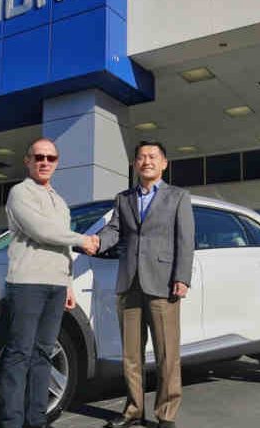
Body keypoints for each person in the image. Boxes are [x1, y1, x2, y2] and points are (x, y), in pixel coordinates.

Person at [0, 138, 99, 428]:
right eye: (39, 157)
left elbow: (61, 246)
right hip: (27, 284)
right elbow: (42, 231)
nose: (44, 162)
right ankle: (12, 422)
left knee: (43, 354)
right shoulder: (20, 193)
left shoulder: (60, 201)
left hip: (55, 288)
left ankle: (37, 420)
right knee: (19, 354)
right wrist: (83, 240)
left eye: (50, 158)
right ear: (27, 160)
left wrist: (67, 284)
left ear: (57, 163)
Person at [91, 141, 194, 428]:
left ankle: (166, 415)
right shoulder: (123, 198)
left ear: (164, 163)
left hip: (163, 284)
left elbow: (186, 241)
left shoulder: (178, 197)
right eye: (141, 157)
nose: (146, 161)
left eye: (152, 156)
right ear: (135, 165)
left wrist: (182, 277)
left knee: (166, 354)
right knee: (131, 355)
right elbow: (114, 230)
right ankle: (134, 409)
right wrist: (97, 241)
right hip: (129, 282)